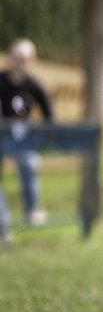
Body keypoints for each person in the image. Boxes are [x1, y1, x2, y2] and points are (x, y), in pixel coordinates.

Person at [0, 38, 53, 242]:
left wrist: (48, 134)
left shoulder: (34, 85)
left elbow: (50, 114)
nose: (19, 62)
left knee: (29, 165)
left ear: (31, 61)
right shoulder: (1, 80)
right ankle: (3, 226)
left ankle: (31, 210)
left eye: (24, 59)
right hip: (1, 135)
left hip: (24, 137)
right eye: (16, 57)